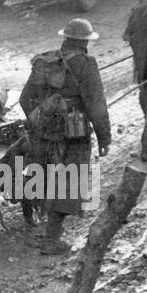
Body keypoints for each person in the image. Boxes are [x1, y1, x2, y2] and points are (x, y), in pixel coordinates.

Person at [20, 19, 111, 255]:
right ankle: (51, 239)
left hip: (43, 130)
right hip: (73, 133)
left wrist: (38, 119)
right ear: (84, 42)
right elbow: (96, 105)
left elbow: (25, 97)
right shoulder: (86, 64)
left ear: (65, 39)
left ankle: (32, 216)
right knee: (70, 179)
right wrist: (104, 138)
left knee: (39, 170)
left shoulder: (44, 60)